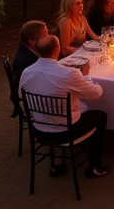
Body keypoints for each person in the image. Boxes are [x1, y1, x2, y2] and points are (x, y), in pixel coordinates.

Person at [18, 27, 109, 178]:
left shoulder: (26, 72)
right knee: (100, 116)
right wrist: (85, 75)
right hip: (65, 132)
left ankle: (57, 164)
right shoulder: (68, 73)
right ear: (57, 49)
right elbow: (96, 93)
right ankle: (94, 166)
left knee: (56, 114)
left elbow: (22, 98)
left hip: (39, 131)